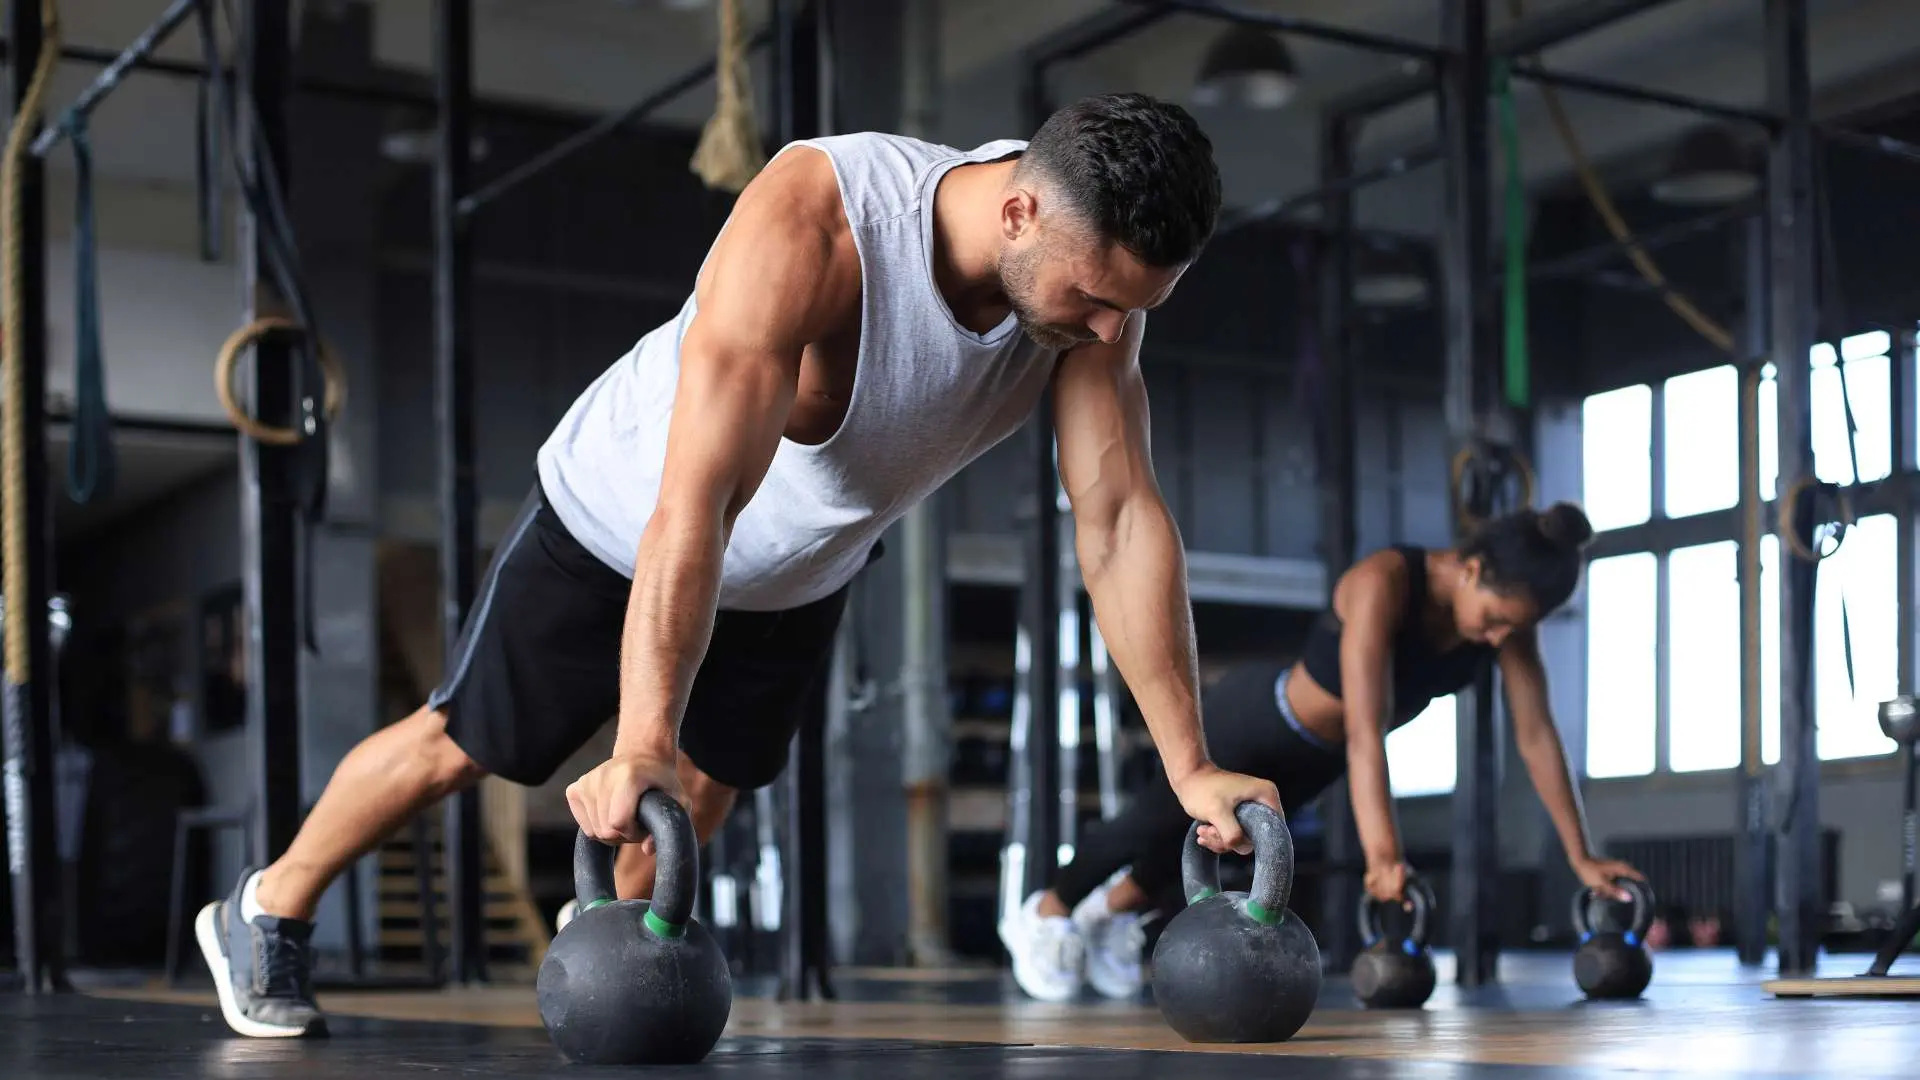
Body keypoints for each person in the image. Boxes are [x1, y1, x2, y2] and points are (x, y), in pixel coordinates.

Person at [192, 92, 1284, 1039]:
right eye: (1093, 299)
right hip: (625, 524)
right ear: (1018, 208)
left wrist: (1189, 766)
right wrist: (639, 738)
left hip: (805, 562)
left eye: (1131, 311)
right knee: (466, 746)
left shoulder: (1097, 291)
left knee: (708, 782)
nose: (1106, 331)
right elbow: (697, 503)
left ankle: (611, 959)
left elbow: (1120, 517)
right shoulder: (821, 223)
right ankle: (267, 910)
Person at [999, 502, 1647, 1002]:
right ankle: (1044, 914)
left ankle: (1100, 918)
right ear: (1473, 569)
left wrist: (1581, 854)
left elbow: (1537, 736)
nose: (1502, 635)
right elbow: (1368, 727)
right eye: (1499, 617)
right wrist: (1384, 859)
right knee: (1149, 825)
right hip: (1257, 719)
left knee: (1199, 853)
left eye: (1516, 627)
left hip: (1317, 758)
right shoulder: (1385, 581)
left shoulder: (1507, 630)